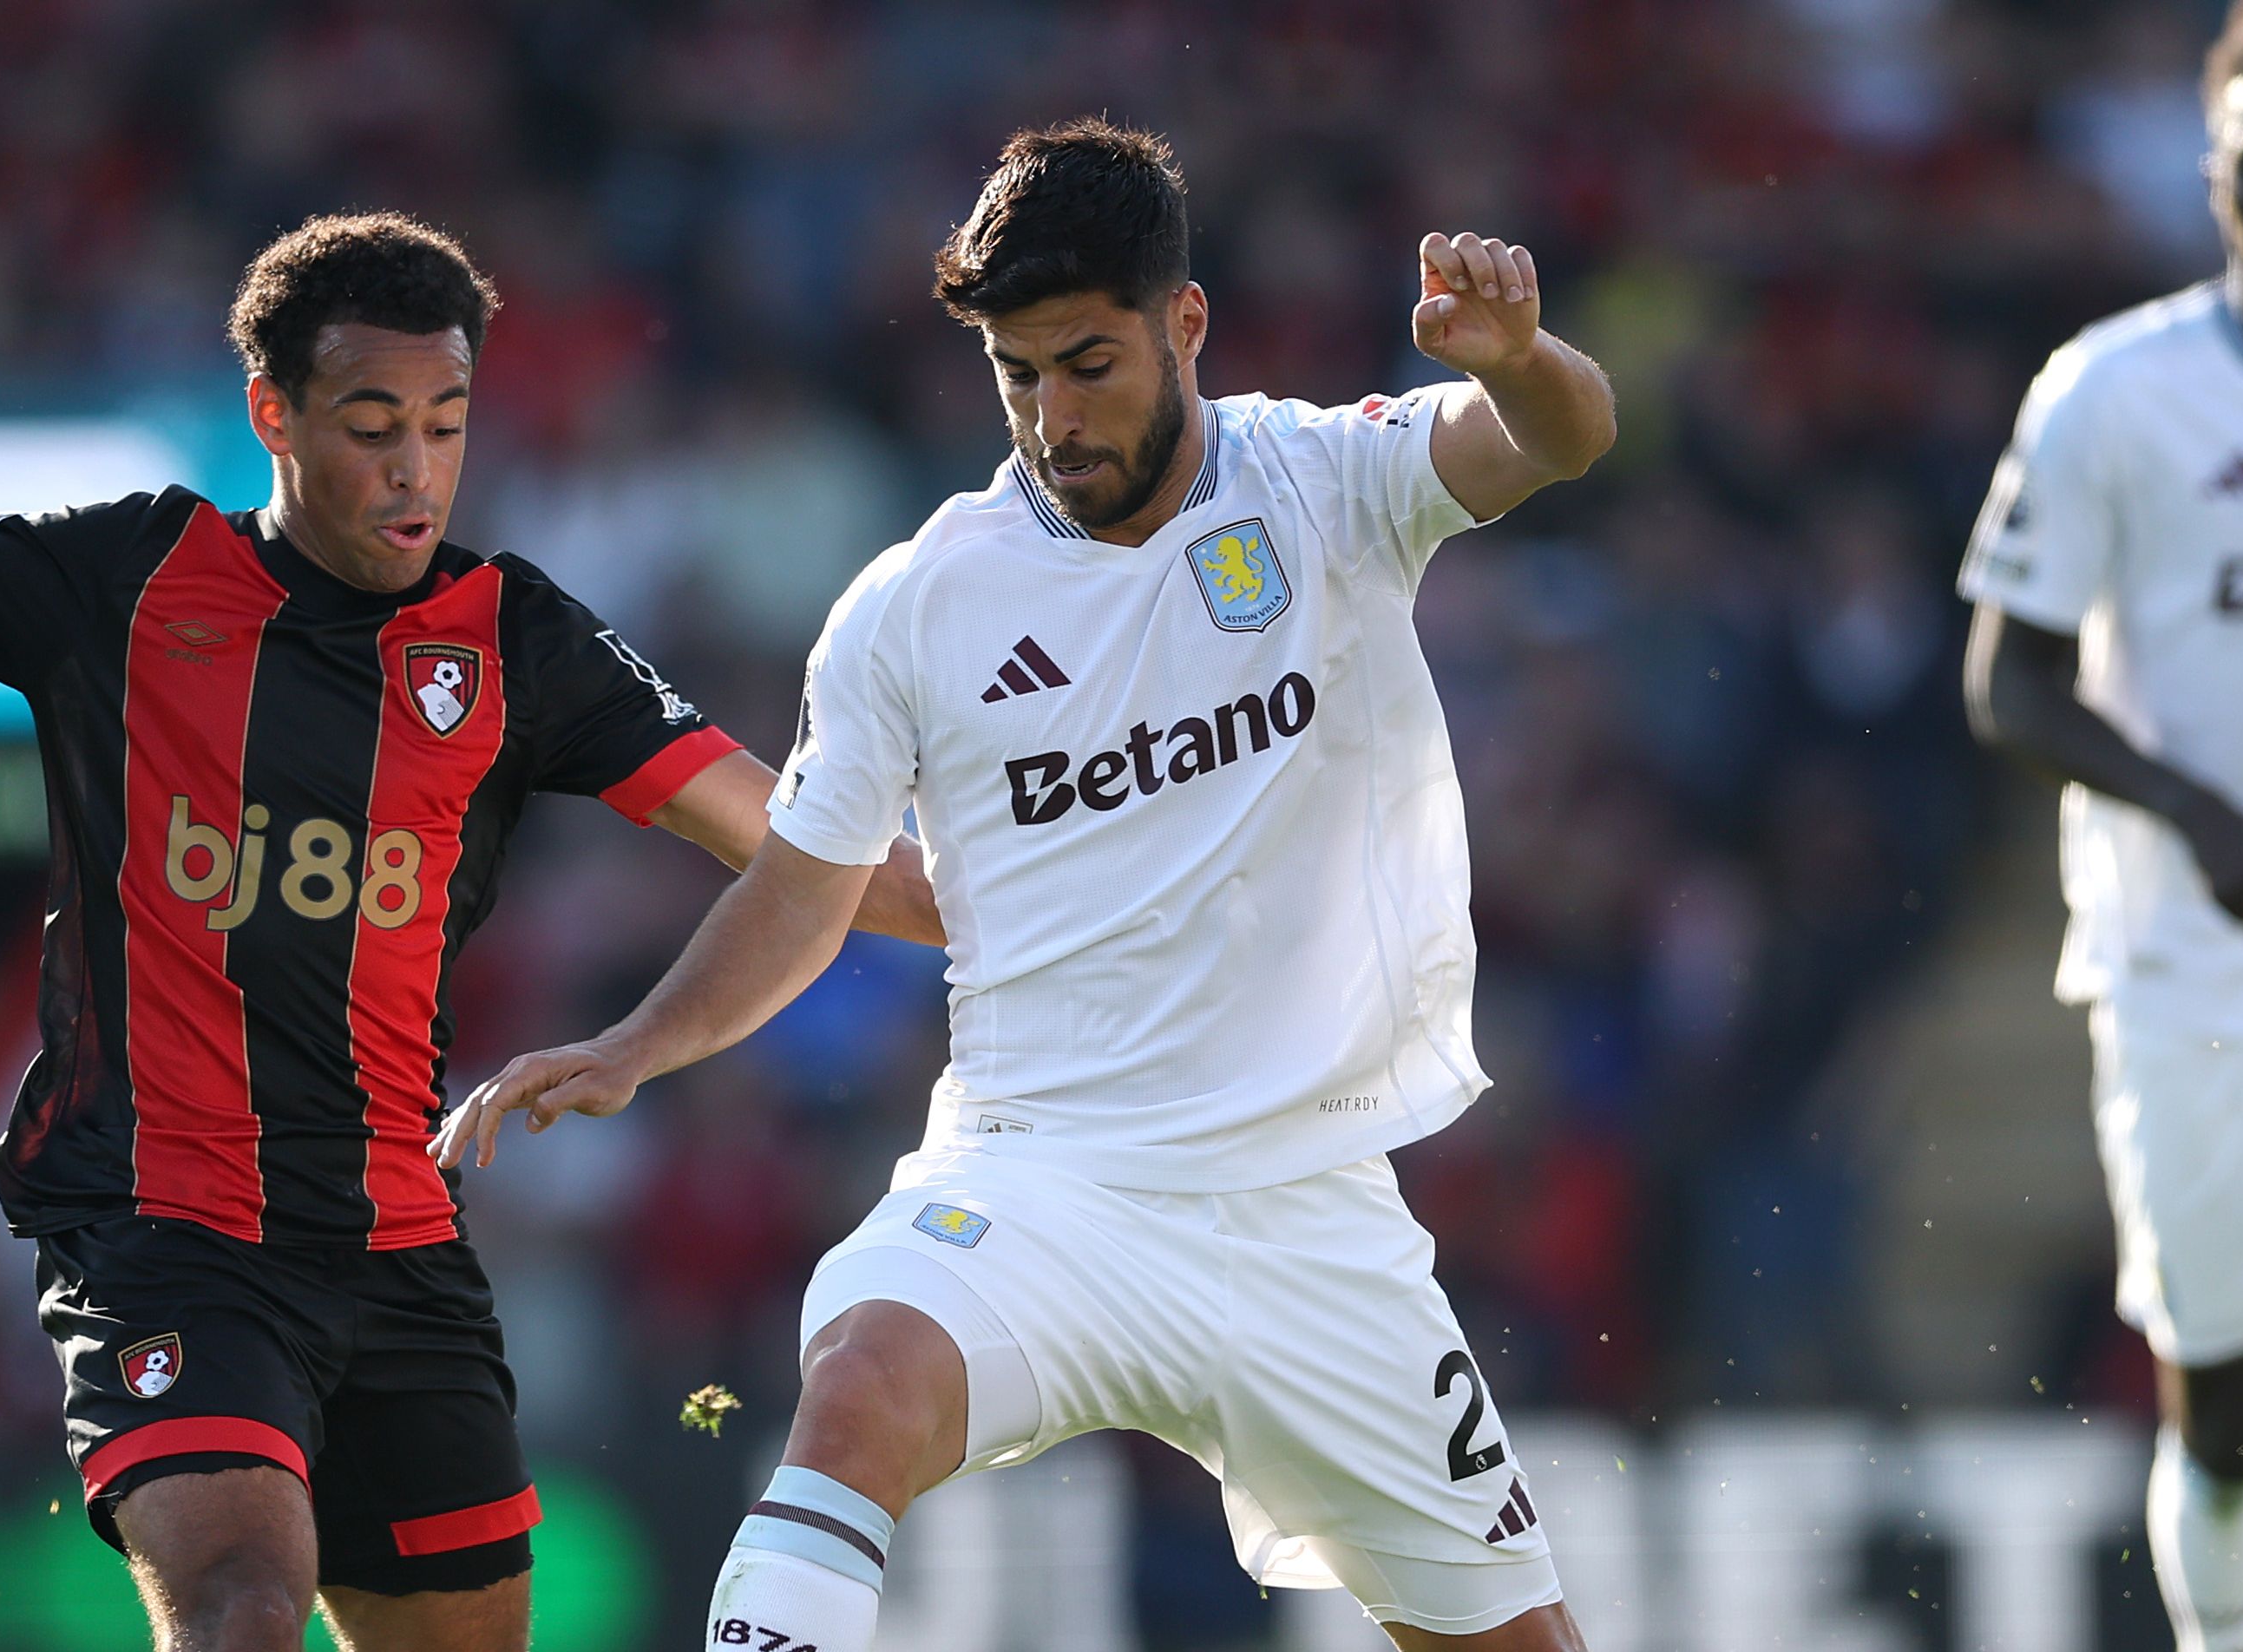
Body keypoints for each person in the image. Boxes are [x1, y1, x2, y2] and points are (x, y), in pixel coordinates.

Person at [0, 37, 939, 1652]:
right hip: (162, 1230)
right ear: (271, 415)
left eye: (444, 422)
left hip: (398, 1239)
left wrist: (1104, 902)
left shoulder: (514, 639)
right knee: (240, 1604)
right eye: (371, 423)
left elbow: (808, 852)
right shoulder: (127, 584)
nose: (415, 467)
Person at [443, 119, 1613, 1649]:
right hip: (1044, 1175)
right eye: (1015, 374)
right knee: (860, 1384)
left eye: (1086, 363)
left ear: (1182, 324)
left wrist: (1521, 356)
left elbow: (1563, 439)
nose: (1050, 417)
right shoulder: (915, 609)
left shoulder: (1326, 481)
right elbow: (809, 883)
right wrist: (635, 1048)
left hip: (1304, 1215)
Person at [1962, 4, 2243, 1646]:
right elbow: (2007, 684)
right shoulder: (2114, 391)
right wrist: (2200, 813)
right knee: (2229, 1405)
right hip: (2191, 967)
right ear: (2210, 169)